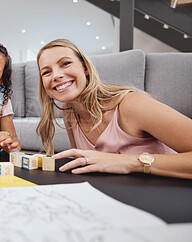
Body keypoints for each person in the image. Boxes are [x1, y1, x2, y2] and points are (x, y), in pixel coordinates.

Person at [36, 39, 192, 179]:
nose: (56, 75)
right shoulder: (68, 109)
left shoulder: (132, 104)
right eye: (46, 72)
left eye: (65, 63)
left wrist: (130, 163)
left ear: (85, 68)